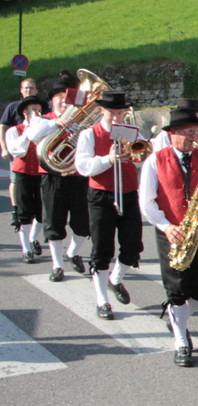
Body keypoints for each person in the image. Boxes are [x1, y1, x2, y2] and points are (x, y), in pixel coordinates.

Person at [140, 109, 198, 367]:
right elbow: (146, 202)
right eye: (190, 132)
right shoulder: (154, 160)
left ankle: (176, 318)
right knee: (177, 289)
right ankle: (181, 340)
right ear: (173, 134)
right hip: (172, 231)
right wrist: (166, 226)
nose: (196, 136)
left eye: (197, 131)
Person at [75, 90, 146, 321]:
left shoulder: (132, 132)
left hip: (128, 193)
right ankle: (102, 300)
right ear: (102, 111)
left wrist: (140, 157)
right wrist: (108, 159)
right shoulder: (89, 134)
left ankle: (116, 279)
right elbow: (83, 167)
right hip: (101, 195)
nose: (116, 117)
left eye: (120, 113)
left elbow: (142, 158)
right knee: (102, 249)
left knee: (133, 245)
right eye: (112, 113)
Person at [25, 75, 91, 280]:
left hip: (78, 176)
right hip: (52, 177)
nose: (63, 100)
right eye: (58, 97)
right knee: (54, 223)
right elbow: (33, 136)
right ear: (52, 101)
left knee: (83, 224)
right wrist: (56, 123)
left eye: (67, 97)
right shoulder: (44, 119)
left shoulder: (82, 119)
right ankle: (57, 265)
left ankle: (72, 252)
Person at [5, 95, 45, 263]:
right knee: (24, 213)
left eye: (39, 110)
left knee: (42, 212)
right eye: (34, 110)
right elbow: (17, 151)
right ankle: (26, 249)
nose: (37, 113)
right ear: (25, 113)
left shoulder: (45, 129)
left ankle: (33, 238)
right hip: (23, 174)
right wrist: (30, 131)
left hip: (42, 174)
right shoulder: (14, 131)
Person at [1, 78, 42, 222]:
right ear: (21, 90)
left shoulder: (41, 106)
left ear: (36, 90)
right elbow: (3, 126)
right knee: (16, 181)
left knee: (39, 199)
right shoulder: (13, 106)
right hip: (19, 146)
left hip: (37, 155)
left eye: (31, 88)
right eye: (26, 88)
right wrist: (4, 147)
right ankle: (15, 209)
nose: (28, 90)